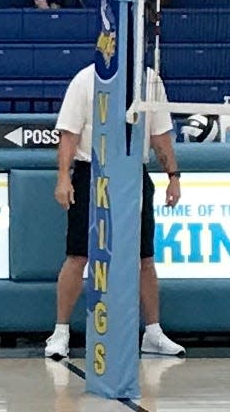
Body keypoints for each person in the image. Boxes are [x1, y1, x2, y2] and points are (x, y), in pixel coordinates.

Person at [45, 63, 185, 360]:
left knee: (144, 256)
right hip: (92, 171)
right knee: (78, 255)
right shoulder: (86, 79)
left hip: (134, 172)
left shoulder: (149, 80)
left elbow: (160, 134)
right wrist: (63, 178)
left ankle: (153, 332)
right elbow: (69, 133)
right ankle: (60, 333)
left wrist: (173, 175)